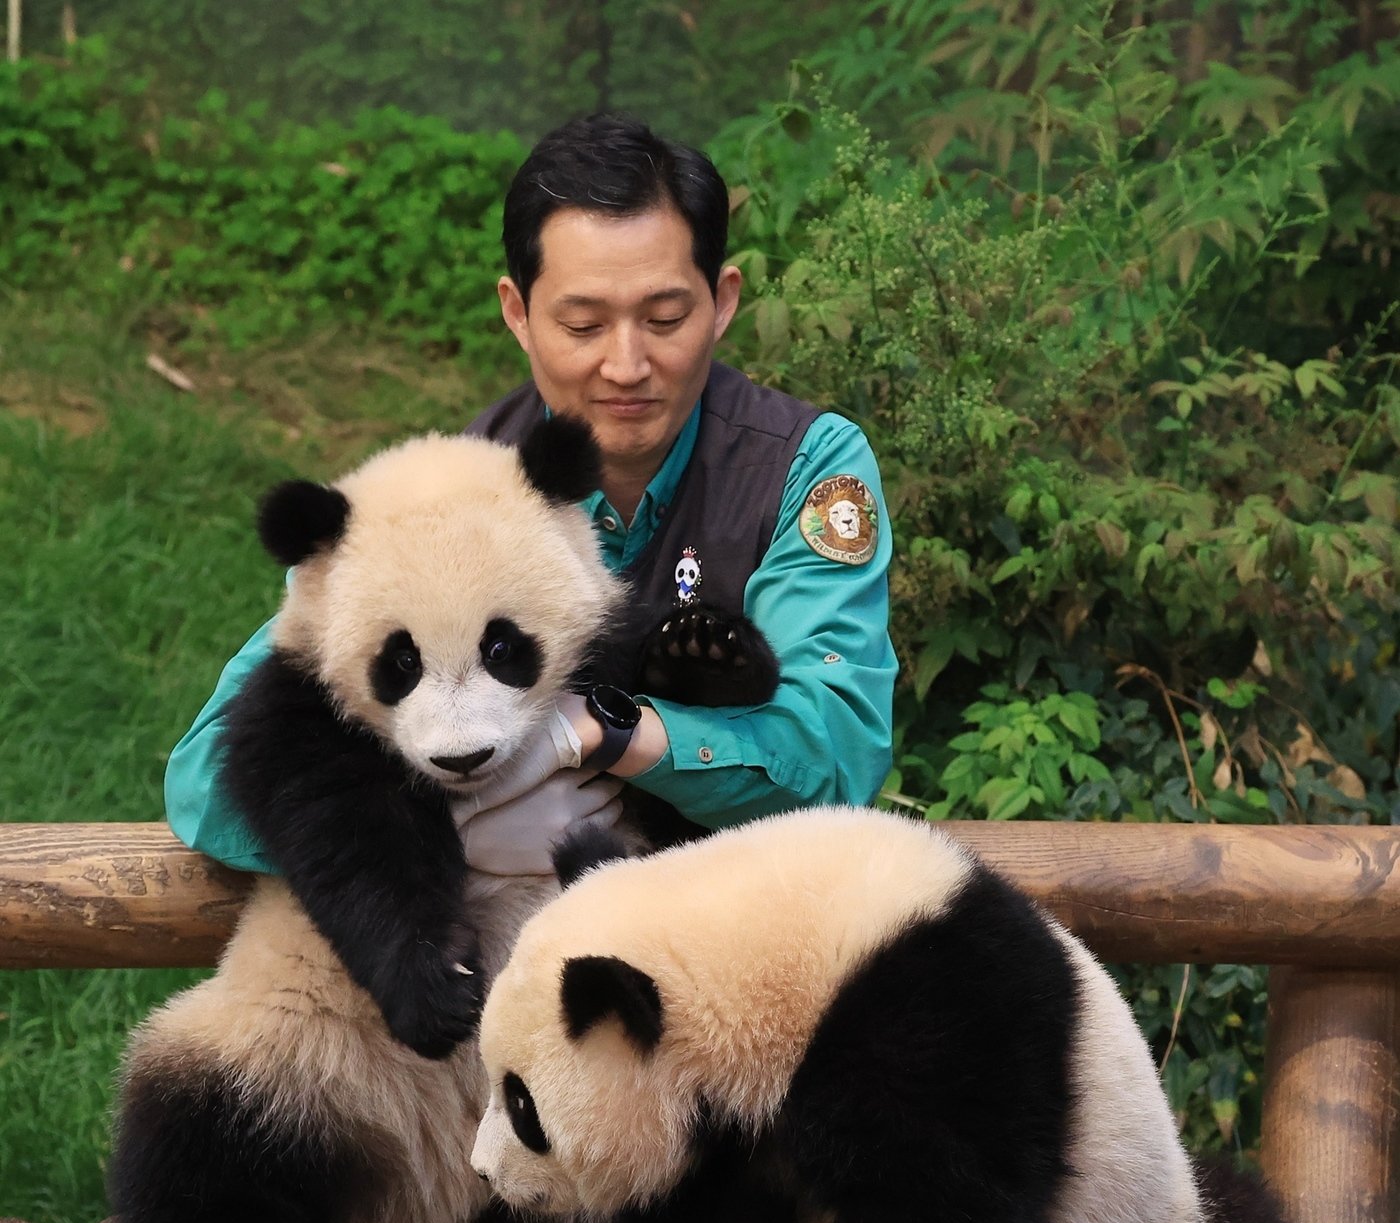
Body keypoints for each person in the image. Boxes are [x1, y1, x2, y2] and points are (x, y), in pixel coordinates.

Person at [164, 113, 897, 875]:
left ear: (722, 303)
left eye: (665, 318)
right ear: (518, 313)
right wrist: (444, 830)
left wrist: (599, 733)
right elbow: (204, 787)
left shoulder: (805, 465)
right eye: (582, 325)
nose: (626, 365)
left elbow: (833, 763)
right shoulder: (444, 494)